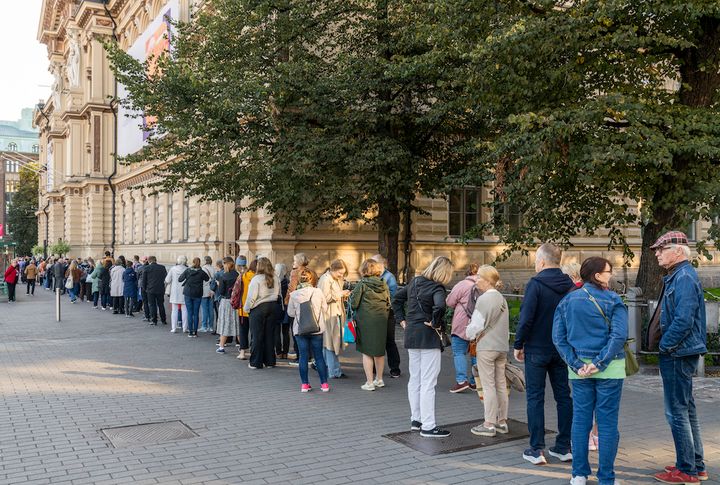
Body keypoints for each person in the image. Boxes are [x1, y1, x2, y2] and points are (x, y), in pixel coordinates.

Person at [553, 257, 628, 485]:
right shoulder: (614, 300)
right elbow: (619, 336)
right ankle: (606, 477)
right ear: (597, 275)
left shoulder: (567, 301)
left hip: (580, 370)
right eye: (608, 271)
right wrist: (601, 362)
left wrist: (576, 363)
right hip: (610, 367)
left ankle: (578, 474)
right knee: (606, 423)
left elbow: (558, 337)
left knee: (581, 420)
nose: (611, 275)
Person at [648, 232, 708, 484]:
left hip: (678, 353)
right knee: (686, 408)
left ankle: (687, 470)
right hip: (681, 352)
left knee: (677, 412)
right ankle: (695, 464)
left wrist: (666, 346)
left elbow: (684, 319)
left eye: (662, 249)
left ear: (678, 252)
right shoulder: (679, 275)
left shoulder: (683, 277)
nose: (657, 253)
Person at [513, 243, 575, 465]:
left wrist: (518, 343)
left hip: (537, 349)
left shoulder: (536, 284)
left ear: (541, 261)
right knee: (564, 397)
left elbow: (526, 317)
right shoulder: (570, 284)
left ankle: (536, 449)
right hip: (562, 349)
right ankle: (563, 446)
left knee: (535, 398)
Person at [393, 256, 454, 438]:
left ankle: (416, 420)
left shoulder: (414, 282)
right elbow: (441, 306)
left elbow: (396, 299)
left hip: (411, 334)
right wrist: (435, 322)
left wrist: (402, 320)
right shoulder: (437, 288)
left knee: (416, 379)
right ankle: (428, 426)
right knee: (428, 382)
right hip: (428, 337)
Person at [465, 265, 510, 437]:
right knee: (500, 385)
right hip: (501, 347)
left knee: (488, 385)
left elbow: (475, 326)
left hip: (486, 346)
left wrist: (469, 334)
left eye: (478, 278)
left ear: (487, 280)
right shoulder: (502, 298)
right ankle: (502, 421)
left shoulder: (484, 299)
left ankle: (489, 424)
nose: (476, 281)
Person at [286, 269, 329, 392]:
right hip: (317, 329)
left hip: (300, 330)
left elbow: (290, 313)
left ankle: (305, 384)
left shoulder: (294, 294)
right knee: (319, 356)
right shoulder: (318, 292)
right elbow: (325, 309)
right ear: (312, 279)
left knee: (303, 357)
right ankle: (324, 384)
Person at [351, 259, 390, 391]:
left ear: (364, 270)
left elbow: (354, 303)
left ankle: (369, 382)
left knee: (367, 352)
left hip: (366, 320)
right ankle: (379, 379)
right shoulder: (383, 283)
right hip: (381, 319)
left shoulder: (362, 284)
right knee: (379, 351)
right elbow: (388, 301)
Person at [445, 263, 480, 393]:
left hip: (462, 322)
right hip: (478, 322)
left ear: (468, 273)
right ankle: (475, 381)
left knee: (459, 351)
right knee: (475, 352)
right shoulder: (484, 285)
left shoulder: (462, 285)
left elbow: (449, 302)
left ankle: (461, 381)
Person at [243, 257, 281, 369]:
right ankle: (270, 361)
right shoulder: (276, 278)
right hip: (273, 306)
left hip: (259, 308)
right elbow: (279, 293)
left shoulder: (256, 279)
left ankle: (256, 362)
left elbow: (251, 297)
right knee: (270, 335)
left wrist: (246, 309)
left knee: (257, 336)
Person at [317, 259, 350, 379]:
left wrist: (342, 294)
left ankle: (326, 366)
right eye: (340, 273)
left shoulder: (334, 279)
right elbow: (323, 298)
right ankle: (334, 371)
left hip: (335, 313)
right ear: (333, 269)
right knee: (331, 342)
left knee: (329, 343)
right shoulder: (325, 280)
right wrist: (340, 294)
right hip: (329, 314)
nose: (341, 275)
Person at [372, 254, 402, 378]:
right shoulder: (372, 275)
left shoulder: (389, 277)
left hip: (387, 313)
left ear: (380, 264)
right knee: (375, 340)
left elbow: (393, 296)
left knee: (389, 340)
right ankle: (374, 367)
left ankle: (395, 368)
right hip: (374, 313)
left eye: (372, 264)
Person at [179, 257, 209, 337]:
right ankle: (195, 332)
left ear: (192, 262)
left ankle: (190, 332)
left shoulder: (188, 270)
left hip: (188, 293)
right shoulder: (201, 272)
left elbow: (180, 279)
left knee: (189, 312)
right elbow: (207, 279)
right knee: (196, 313)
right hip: (198, 294)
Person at [216, 258, 240, 353]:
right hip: (237, 302)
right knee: (237, 324)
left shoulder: (224, 276)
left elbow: (221, 291)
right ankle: (242, 346)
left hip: (226, 301)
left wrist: (218, 284)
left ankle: (221, 346)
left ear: (226, 264)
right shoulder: (238, 275)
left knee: (225, 323)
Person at [165, 256, 189, 333]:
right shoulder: (187, 269)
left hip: (174, 292)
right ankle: (185, 328)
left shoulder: (173, 269)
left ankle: (174, 328)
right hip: (184, 291)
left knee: (174, 310)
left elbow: (167, 280)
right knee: (185, 310)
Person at [236, 257, 254, 359]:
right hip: (253, 307)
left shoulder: (241, 277)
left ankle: (242, 352)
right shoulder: (254, 276)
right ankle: (252, 351)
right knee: (253, 331)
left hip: (242, 307)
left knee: (243, 331)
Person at [143, 256, 168, 325]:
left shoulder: (147, 268)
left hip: (150, 289)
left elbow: (144, 281)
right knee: (161, 305)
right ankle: (163, 320)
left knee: (152, 305)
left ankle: (154, 320)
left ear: (149, 261)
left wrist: (145, 289)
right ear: (155, 260)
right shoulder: (162, 267)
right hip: (160, 289)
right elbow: (166, 278)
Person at [274, 263, 291, 358]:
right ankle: (285, 352)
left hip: (277, 308)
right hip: (286, 308)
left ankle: (278, 352)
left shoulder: (274, 282)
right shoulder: (288, 282)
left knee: (276, 331)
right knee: (285, 332)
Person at [200, 256, 216, 332]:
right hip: (212, 290)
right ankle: (211, 326)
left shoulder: (203, 269)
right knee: (211, 309)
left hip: (204, 290)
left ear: (205, 261)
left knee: (204, 309)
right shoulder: (213, 268)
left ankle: (204, 326)